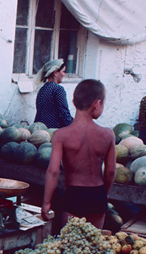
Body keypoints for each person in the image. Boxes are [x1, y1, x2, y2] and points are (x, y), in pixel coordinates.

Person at [41, 79, 115, 229]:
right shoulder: (108, 134)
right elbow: (111, 171)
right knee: (93, 246)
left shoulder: (61, 135)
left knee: (71, 247)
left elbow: (53, 172)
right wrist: (104, 193)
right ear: (97, 103)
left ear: (74, 102)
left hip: (74, 194)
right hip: (98, 193)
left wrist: (46, 202)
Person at [34, 59, 73, 128]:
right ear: (55, 72)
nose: (64, 74)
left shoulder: (42, 89)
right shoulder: (58, 89)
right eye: (63, 71)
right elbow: (63, 114)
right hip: (52, 132)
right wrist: (72, 127)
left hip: (39, 129)